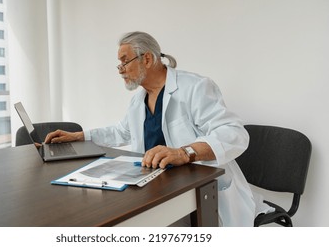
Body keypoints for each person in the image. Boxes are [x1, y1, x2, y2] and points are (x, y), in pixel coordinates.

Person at [45, 31, 256, 226]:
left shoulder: (195, 87)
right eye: (119, 64)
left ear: (146, 59)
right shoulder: (139, 100)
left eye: (124, 61)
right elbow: (122, 132)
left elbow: (234, 133)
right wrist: (80, 135)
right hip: (159, 188)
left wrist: (184, 153)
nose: (121, 70)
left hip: (201, 191)